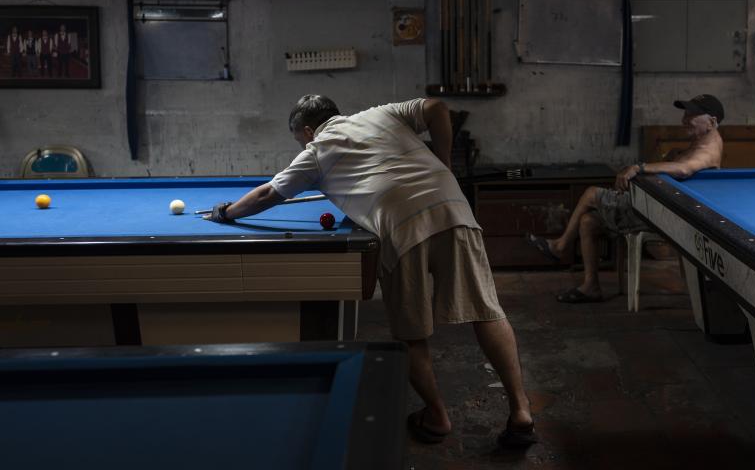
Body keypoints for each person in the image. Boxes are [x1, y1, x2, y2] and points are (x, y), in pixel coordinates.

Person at [204, 96, 537, 449]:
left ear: (306, 130)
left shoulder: (316, 150)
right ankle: (521, 411)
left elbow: (268, 194)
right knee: (487, 311)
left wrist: (227, 213)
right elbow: (438, 107)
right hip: (454, 209)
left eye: (299, 140)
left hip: (401, 228)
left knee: (411, 333)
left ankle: (437, 417)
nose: (303, 144)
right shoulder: (382, 113)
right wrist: (444, 163)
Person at [527, 94, 724, 303]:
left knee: (591, 193)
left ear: (711, 122)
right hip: (656, 207)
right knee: (588, 222)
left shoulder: (707, 150)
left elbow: (685, 169)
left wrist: (638, 167)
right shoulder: (699, 143)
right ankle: (591, 286)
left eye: (691, 115)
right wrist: (674, 155)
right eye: (685, 114)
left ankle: (560, 246)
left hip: (665, 216)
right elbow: (684, 163)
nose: (684, 120)